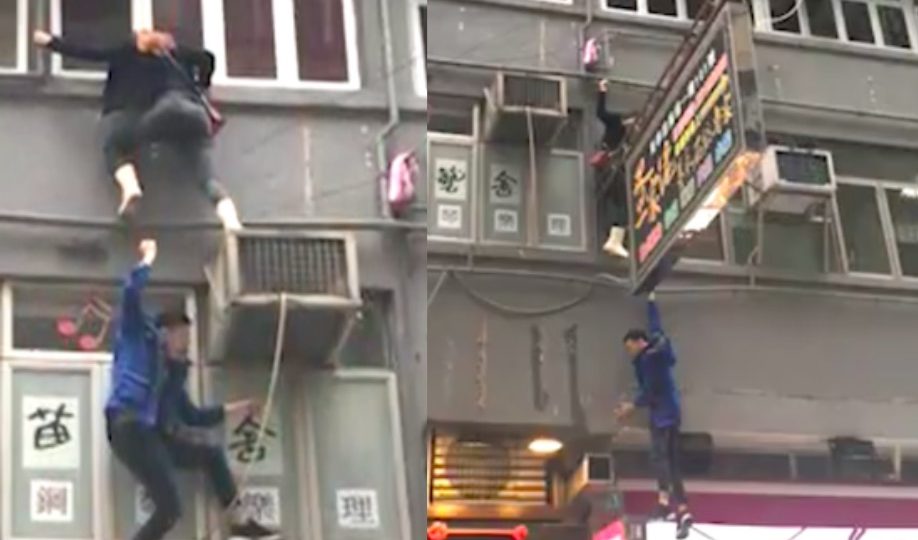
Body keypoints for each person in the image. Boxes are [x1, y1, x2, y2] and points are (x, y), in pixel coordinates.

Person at [106, 239, 278, 540]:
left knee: (210, 454)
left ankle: (238, 520)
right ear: (163, 334)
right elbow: (131, 293)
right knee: (169, 508)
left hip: (154, 435)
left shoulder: (172, 375)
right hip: (129, 424)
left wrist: (239, 408)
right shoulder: (138, 336)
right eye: (182, 337)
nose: (186, 345)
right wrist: (147, 259)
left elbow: (192, 415)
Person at [33, 29, 242, 231]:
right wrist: (201, 84)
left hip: (158, 112)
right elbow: (207, 58)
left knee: (113, 144)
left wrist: (50, 41)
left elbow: (89, 52)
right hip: (196, 116)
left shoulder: (128, 51)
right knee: (206, 175)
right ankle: (230, 220)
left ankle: (131, 188)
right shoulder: (174, 53)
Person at [615, 293, 694, 539]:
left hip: (662, 415)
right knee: (672, 462)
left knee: (660, 457)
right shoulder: (658, 345)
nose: (630, 354)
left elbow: (650, 389)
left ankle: (663, 500)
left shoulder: (647, 360)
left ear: (639, 342)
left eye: (630, 348)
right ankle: (682, 510)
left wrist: (631, 407)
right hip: (672, 411)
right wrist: (651, 301)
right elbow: (656, 325)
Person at [595, 79, 634, 258]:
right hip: (611, 168)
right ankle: (614, 240)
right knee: (623, 205)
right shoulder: (616, 124)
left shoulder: (628, 135)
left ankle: (614, 238)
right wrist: (602, 91)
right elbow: (601, 112)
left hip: (610, 170)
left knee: (618, 204)